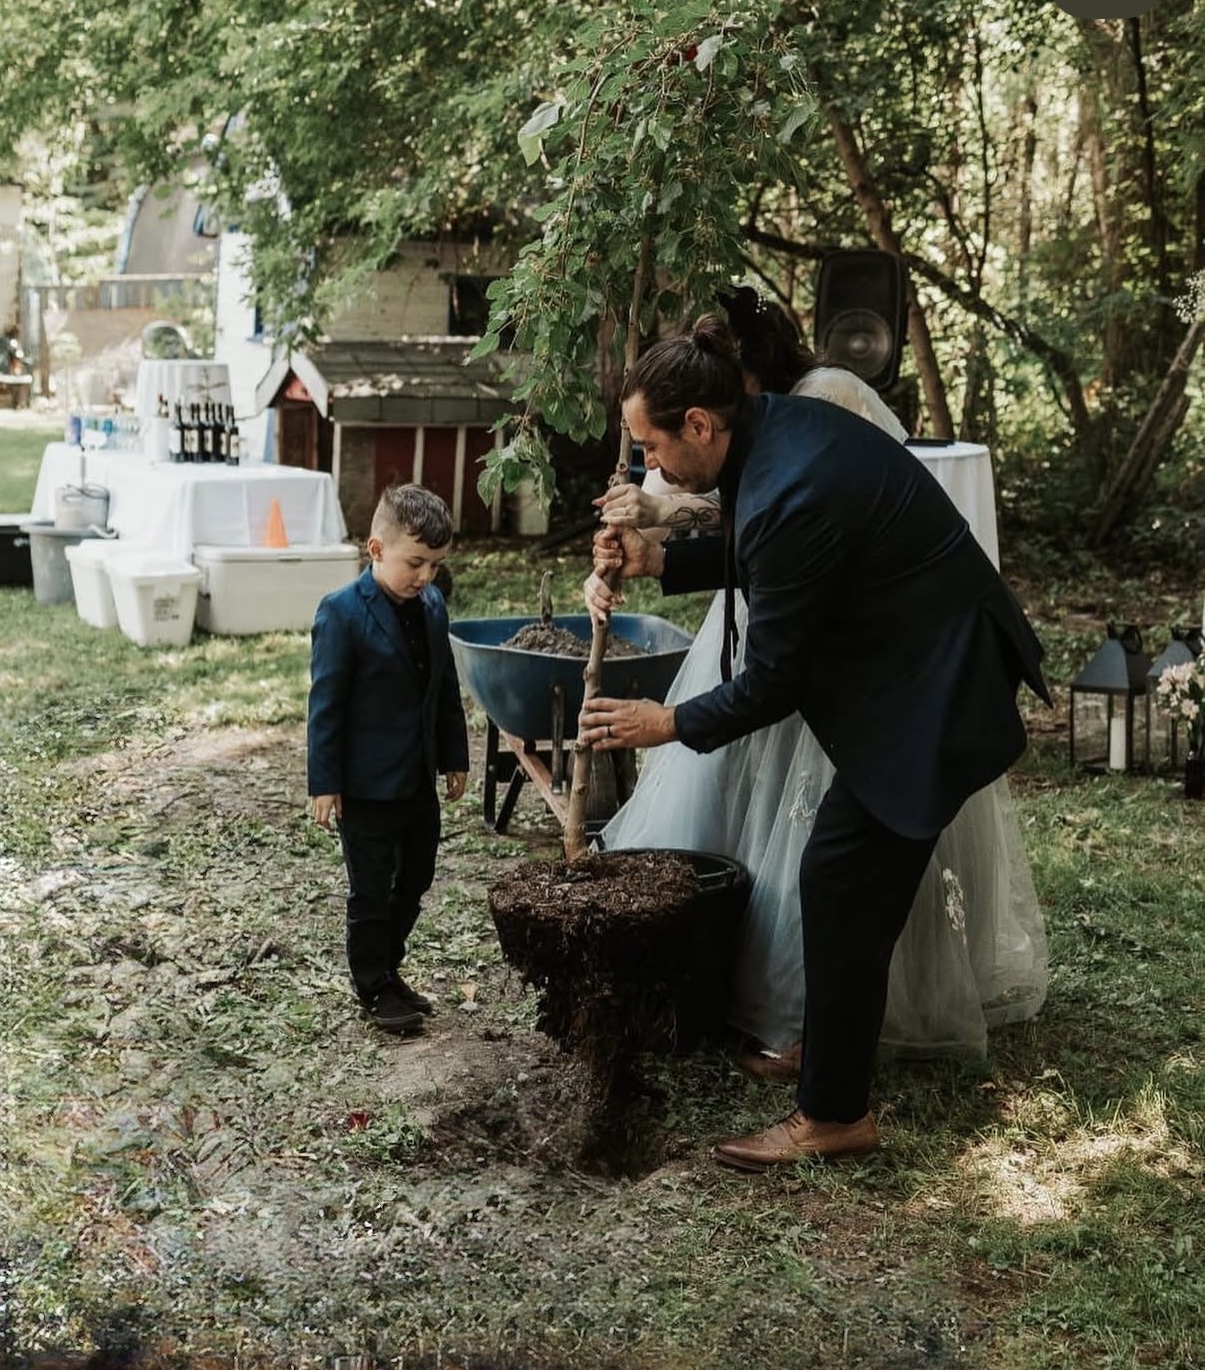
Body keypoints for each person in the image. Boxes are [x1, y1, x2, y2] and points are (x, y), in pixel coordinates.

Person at [580, 316, 1050, 1172]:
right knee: (844, 882)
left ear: (701, 424)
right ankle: (827, 1050)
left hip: (935, 689)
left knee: (842, 878)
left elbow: (774, 682)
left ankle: (834, 1112)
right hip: (912, 664)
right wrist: (661, 562)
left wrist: (670, 725)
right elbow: (771, 549)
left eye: (652, 447)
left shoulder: (788, 482)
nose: (652, 468)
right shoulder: (776, 433)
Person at [308, 483, 470, 1034]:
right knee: (371, 890)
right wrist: (324, 783)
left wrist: (454, 755)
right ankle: (373, 985)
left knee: (418, 875)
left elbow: (443, 687)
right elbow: (325, 705)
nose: (425, 576)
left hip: (417, 778)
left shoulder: (432, 606)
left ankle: (389, 965)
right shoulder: (341, 614)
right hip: (365, 785)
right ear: (376, 550)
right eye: (415, 563)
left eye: (435, 565)